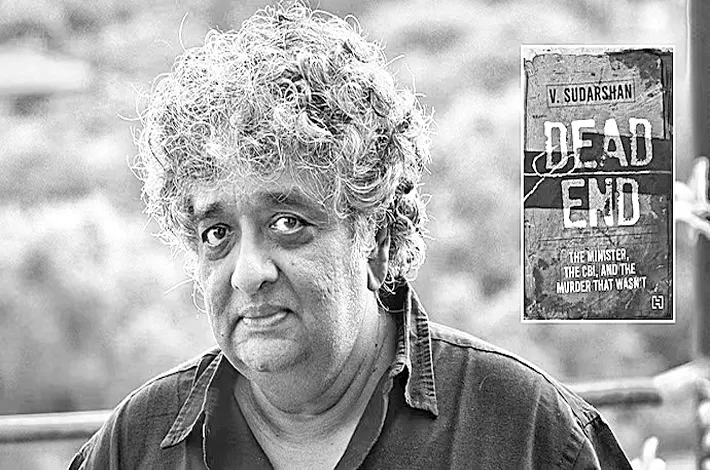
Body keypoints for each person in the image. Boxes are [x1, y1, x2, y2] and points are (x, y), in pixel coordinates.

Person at [69, 2, 632, 469]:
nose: (248, 272)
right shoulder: (135, 446)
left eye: (288, 224)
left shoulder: (528, 436)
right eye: (217, 233)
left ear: (377, 238)